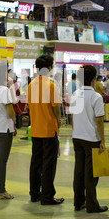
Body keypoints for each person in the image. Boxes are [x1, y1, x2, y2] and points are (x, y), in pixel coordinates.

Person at [70, 65, 108, 213]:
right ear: (93, 79)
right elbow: (99, 121)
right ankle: (92, 205)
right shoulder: (96, 97)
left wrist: (76, 131)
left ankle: (78, 202)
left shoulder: (75, 95)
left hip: (77, 137)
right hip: (91, 139)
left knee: (78, 171)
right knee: (91, 174)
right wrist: (103, 141)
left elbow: (73, 116)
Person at [28, 55, 64, 205]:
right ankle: (47, 196)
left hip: (36, 129)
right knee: (49, 164)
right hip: (49, 130)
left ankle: (35, 194)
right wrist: (59, 120)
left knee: (36, 163)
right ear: (49, 68)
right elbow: (56, 108)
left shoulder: (31, 85)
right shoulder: (50, 85)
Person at [0, 62, 17, 200]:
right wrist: (15, 122)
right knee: (2, 160)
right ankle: (1, 190)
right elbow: (10, 110)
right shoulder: (4, 90)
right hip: (5, 128)